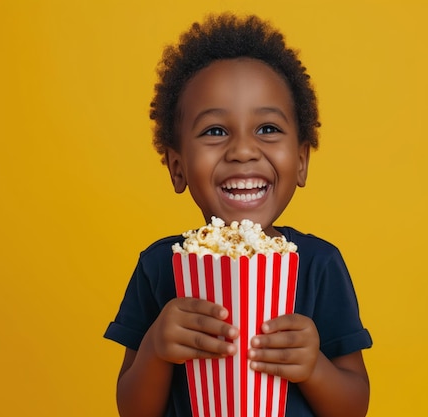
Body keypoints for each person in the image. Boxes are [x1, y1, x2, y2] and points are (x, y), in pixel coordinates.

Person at [104, 13, 373, 417]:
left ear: (301, 161)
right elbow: (132, 410)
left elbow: (354, 406)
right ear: (177, 166)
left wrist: (315, 368)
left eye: (267, 128)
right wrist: (156, 350)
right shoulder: (160, 267)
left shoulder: (319, 265)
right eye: (215, 131)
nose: (243, 150)